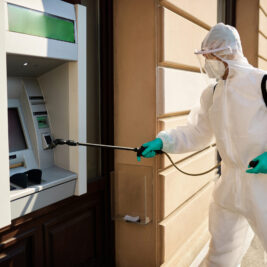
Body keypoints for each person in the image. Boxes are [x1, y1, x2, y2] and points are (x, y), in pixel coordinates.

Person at [139, 23, 267, 266]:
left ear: (228, 54)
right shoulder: (213, 94)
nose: (208, 63)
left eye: (211, 57)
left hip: (262, 185)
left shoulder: (262, 84)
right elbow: (197, 131)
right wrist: (163, 142)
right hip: (229, 184)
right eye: (206, 57)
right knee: (220, 254)